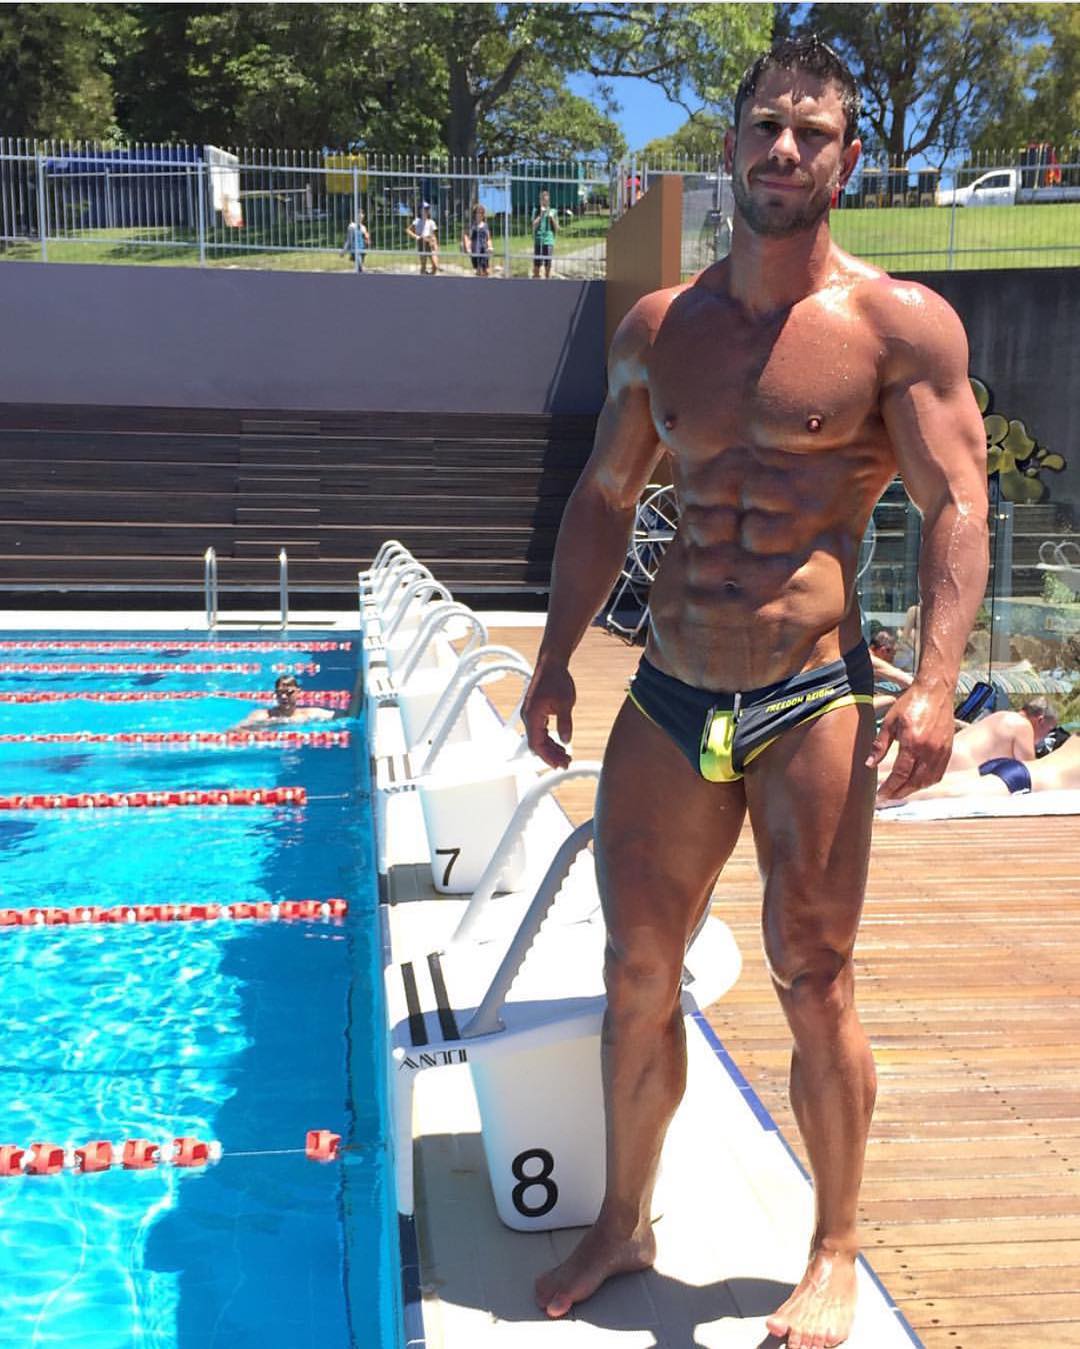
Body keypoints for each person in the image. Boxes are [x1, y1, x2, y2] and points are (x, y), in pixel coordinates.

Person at [520, 34, 989, 1348]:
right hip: (671, 689)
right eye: (766, 126)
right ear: (729, 146)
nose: (785, 148)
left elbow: (958, 502)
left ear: (849, 157)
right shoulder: (660, 329)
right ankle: (624, 1217)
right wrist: (552, 657)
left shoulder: (896, 326)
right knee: (634, 967)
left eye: (812, 131)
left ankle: (833, 1245)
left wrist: (937, 682)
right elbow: (605, 496)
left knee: (811, 971)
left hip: (807, 695)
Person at [878, 729, 1080, 806]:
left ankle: (868, 792)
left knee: (925, 784)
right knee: (929, 794)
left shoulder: (1075, 737)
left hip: (1011, 767)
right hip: (1021, 780)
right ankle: (874, 801)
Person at [878, 696, 1058, 776]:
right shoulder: (1022, 725)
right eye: (1048, 730)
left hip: (946, 752)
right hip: (952, 762)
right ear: (1040, 720)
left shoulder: (1001, 716)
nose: (1044, 737)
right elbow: (1030, 772)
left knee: (877, 768)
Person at [233, 674, 336, 728]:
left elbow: (342, 715)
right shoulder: (262, 715)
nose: (283, 696)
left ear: (298, 692)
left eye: (289, 692)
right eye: (279, 692)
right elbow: (235, 730)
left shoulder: (310, 713)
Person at [531, 189, 558, 278]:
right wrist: (541, 215)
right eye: (542, 199)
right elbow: (533, 226)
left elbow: (557, 228)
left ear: (549, 200)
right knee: (536, 265)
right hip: (538, 240)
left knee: (548, 264)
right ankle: (536, 279)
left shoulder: (553, 211)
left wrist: (552, 218)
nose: (544, 202)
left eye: (546, 200)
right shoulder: (536, 211)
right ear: (540, 200)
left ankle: (547, 280)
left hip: (548, 241)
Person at [406, 202, 438, 274]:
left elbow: (434, 235)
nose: (426, 210)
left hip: (430, 243)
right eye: (424, 209)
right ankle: (423, 278)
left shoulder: (431, 222)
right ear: (420, 210)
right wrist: (416, 237)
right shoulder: (417, 221)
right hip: (421, 243)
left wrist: (435, 245)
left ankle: (430, 277)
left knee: (435, 265)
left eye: (427, 209)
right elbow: (408, 230)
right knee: (423, 265)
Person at [462, 203, 493, 276]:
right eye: (478, 213)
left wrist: (490, 247)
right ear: (474, 214)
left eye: (481, 213)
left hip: (484, 249)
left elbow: (488, 238)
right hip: (475, 249)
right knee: (479, 270)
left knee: (486, 270)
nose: (479, 215)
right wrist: (467, 248)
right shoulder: (472, 225)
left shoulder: (485, 225)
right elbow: (467, 237)